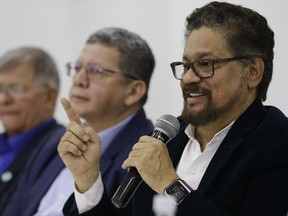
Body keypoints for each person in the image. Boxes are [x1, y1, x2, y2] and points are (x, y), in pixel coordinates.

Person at [58, 1, 288, 216]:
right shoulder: (167, 138)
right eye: (186, 65)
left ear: (253, 71)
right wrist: (87, 179)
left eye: (205, 64)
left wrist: (169, 183)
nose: (188, 78)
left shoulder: (277, 141)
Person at [27, 27, 154, 216]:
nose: (79, 80)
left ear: (133, 91)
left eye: (96, 71)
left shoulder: (145, 159)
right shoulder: (53, 143)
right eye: (77, 68)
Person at [0, 46, 66, 215]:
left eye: (16, 88)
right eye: (0, 89)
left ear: (49, 97)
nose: (4, 99)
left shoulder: (62, 150)